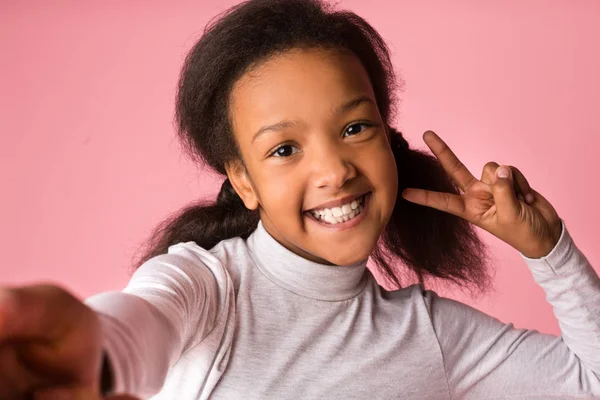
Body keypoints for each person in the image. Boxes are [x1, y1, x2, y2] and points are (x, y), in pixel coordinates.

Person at [1, 0, 599, 399]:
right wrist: (95, 355)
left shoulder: (430, 335)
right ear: (244, 180)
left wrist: (550, 252)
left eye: (355, 128)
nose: (335, 171)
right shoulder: (207, 287)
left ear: (389, 141)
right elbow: (140, 328)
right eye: (284, 150)